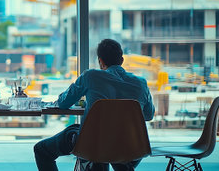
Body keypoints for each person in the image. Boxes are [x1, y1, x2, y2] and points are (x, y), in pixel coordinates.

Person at [34, 39, 155, 171]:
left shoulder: (90, 76)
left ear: (100, 61)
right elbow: (148, 115)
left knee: (42, 150)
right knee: (118, 154)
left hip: (93, 145)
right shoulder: (141, 83)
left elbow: (63, 103)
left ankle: (98, 164)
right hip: (131, 146)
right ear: (121, 60)